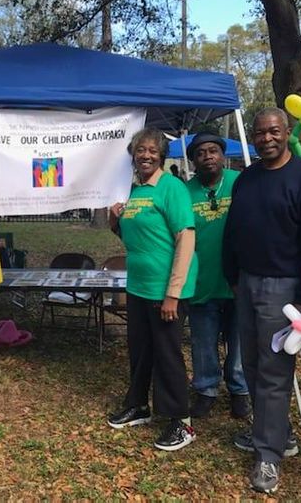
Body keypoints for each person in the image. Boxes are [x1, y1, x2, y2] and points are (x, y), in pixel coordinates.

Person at [222, 107, 301, 493]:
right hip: (247, 285)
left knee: (273, 372)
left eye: (273, 131)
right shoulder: (247, 179)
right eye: (260, 133)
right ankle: (278, 433)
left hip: (284, 290)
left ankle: (268, 457)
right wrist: (233, 277)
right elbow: (234, 231)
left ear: (286, 132)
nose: (266, 138)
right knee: (251, 364)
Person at [106, 127, 198, 451]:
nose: (145, 155)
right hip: (139, 287)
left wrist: (173, 293)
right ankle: (139, 406)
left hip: (165, 291)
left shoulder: (171, 188)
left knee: (167, 355)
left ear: (161, 155)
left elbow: (185, 240)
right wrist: (116, 221)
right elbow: (135, 239)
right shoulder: (133, 191)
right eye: (140, 150)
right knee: (140, 349)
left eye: (151, 150)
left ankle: (181, 423)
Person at [184, 132, 249, 419]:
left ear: (223, 156)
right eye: (201, 153)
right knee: (203, 342)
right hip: (201, 281)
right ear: (193, 161)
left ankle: (239, 391)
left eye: (213, 151)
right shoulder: (185, 192)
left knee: (240, 342)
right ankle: (206, 390)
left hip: (238, 282)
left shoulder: (241, 183)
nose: (208, 156)